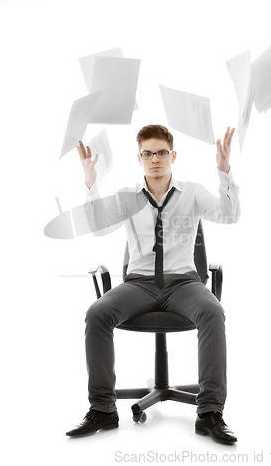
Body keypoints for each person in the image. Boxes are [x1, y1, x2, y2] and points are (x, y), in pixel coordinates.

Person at [66, 125, 240, 444]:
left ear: (173, 155)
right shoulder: (127, 197)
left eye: (161, 152)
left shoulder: (193, 192)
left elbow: (230, 216)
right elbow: (98, 230)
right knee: (97, 313)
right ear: (139, 158)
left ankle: (210, 413)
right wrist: (92, 184)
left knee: (213, 312)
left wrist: (224, 170)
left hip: (183, 283)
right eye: (148, 153)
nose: (155, 159)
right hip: (139, 284)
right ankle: (102, 409)